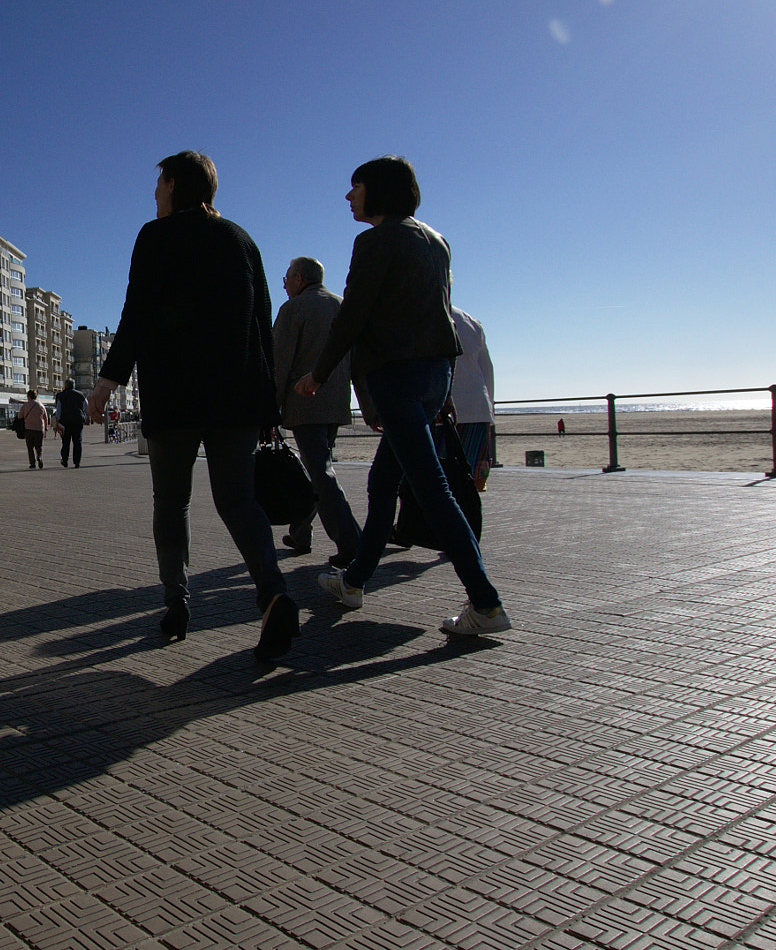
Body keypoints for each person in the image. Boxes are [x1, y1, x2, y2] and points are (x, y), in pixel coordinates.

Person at [88, 150, 298, 662]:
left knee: (172, 501)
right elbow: (262, 322)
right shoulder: (242, 239)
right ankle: (272, 594)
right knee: (238, 500)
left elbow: (135, 310)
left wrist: (106, 383)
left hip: (176, 396)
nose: (154, 192)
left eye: (159, 182)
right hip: (238, 397)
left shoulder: (155, 236)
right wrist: (268, 401)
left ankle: (176, 603)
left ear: (175, 184)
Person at [296, 156, 512, 638]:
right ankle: (353, 582)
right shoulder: (436, 240)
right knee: (382, 481)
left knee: (431, 488)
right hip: (435, 373)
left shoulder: (374, 240)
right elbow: (440, 315)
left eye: (356, 188)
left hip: (397, 375)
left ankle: (486, 602)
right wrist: (445, 387)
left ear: (378, 191)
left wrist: (318, 373)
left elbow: (352, 315)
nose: (349, 197)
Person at [271, 256, 361, 566]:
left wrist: (271, 406)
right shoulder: (340, 304)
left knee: (321, 473)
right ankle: (300, 531)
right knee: (318, 468)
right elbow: (358, 360)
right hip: (336, 402)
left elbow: (279, 363)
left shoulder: (294, 309)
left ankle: (352, 542)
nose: (283, 285)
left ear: (298, 279)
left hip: (305, 402)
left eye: (286, 278)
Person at [450, 305, 495, 490]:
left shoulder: (422, 314)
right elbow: (487, 372)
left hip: (441, 413)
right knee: (473, 482)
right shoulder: (471, 321)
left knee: (437, 482)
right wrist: (490, 412)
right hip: (477, 411)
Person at [55, 383, 88, 467]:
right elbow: (87, 407)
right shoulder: (81, 395)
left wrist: (57, 423)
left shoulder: (61, 395)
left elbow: (58, 410)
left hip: (65, 422)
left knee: (65, 442)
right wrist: (87, 417)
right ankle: (77, 462)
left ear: (66, 386)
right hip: (78, 421)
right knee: (77, 442)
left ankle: (65, 460)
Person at [18, 390, 50, 469]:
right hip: (39, 429)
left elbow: (19, 416)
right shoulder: (41, 405)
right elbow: (45, 417)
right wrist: (46, 427)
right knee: (39, 446)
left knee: (30, 447)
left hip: (28, 428)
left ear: (29, 396)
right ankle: (39, 457)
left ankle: (32, 463)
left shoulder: (25, 405)